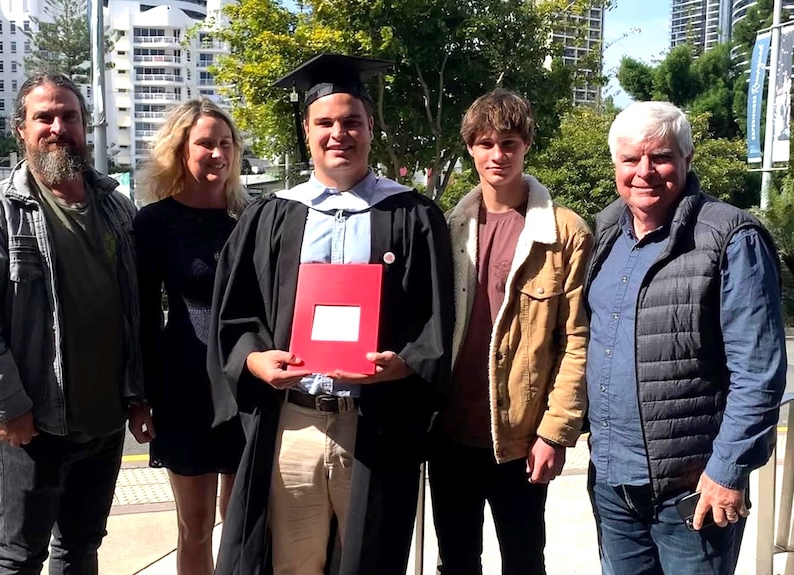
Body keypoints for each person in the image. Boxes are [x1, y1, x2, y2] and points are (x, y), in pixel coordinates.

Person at [208, 53, 454, 575]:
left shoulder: (411, 214)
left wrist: (405, 363)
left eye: (351, 122)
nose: (338, 133)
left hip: (374, 423)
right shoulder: (271, 216)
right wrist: (255, 362)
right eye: (325, 123)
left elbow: (436, 318)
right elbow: (234, 315)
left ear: (370, 127)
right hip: (294, 422)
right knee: (293, 563)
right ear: (307, 130)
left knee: (369, 559)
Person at [0, 71, 149, 574]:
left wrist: (139, 394)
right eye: (45, 117)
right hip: (32, 424)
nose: (59, 127)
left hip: (104, 423)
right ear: (22, 129)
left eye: (70, 116)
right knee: (20, 555)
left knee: (81, 547)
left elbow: (134, 311)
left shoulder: (117, 208)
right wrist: (6, 407)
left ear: (85, 126)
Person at [585, 101, 786, 574]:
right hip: (615, 485)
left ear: (688, 159)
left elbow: (758, 372)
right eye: (631, 159)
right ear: (616, 164)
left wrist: (728, 471)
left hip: (695, 492)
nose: (645, 172)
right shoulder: (606, 232)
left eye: (661, 157)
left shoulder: (731, 237)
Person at [430, 89, 592, 575]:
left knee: (524, 561)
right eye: (484, 143)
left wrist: (556, 433)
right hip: (450, 436)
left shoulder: (565, 234)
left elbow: (577, 341)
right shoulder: (447, 228)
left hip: (520, 439)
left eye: (509, 143)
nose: (496, 155)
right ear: (470, 149)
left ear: (526, 147)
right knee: (456, 561)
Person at [133, 98, 247, 575]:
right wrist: (138, 399)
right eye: (205, 143)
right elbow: (140, 317)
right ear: (180, 150)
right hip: (182, 384)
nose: (217, 153)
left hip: (245, 381)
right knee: (195, 523)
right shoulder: (154, 222)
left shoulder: (253, 217)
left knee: (239, 518)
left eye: (226, 144)